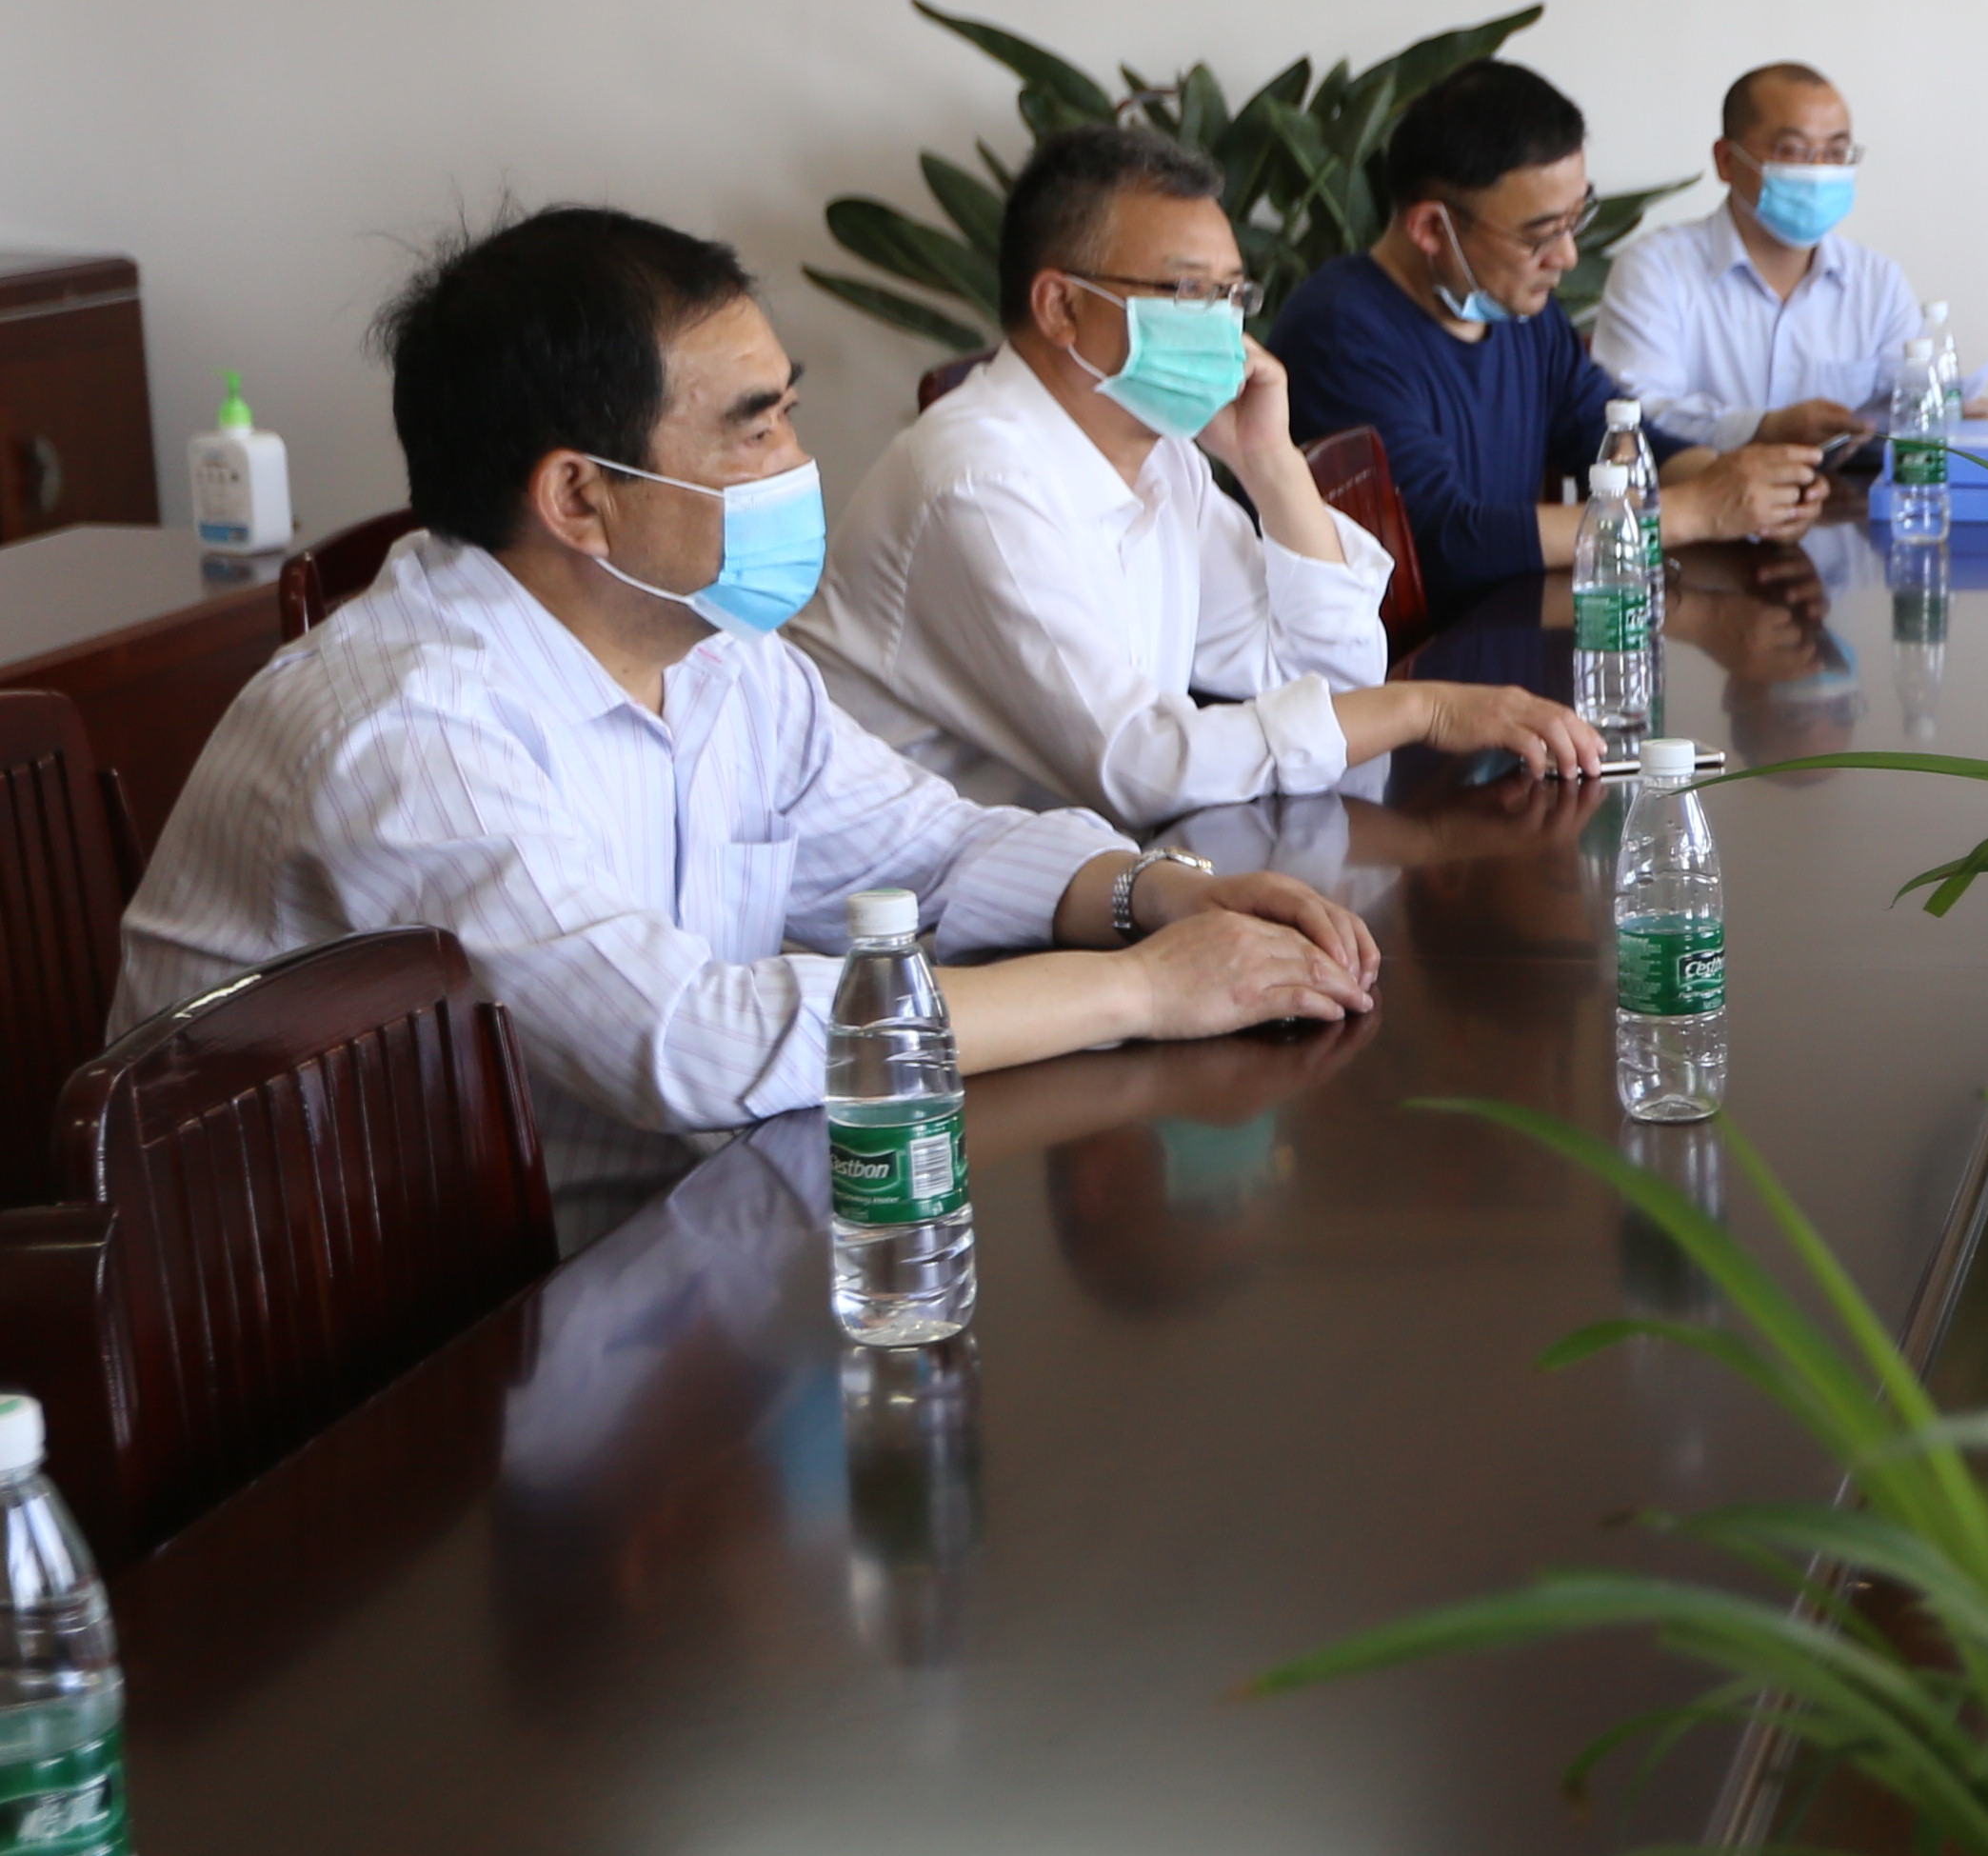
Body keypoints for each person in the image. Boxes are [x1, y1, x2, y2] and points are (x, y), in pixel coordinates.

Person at [115, 206, 1384, 1168]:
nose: (799, 461)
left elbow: (932, 850)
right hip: (353, 1355)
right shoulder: (409, 731)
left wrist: (1156, 895)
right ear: (580, 498)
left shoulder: (716, 654)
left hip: (624, 1246)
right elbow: (688, 1041)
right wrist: (1144, 991)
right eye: (757, 426)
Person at [797, 124, 1602, 822]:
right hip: (918, 926)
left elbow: (1327, 679)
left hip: (1090, 877)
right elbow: (1139, 768)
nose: (1221, 324)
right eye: (1188, 290)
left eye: (1232, 294)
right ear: (1061, 307)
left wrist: (1269, 463)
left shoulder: (1163, 455)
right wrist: (1422, 707)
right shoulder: (977, 482)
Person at [1271, 57, 1821, 601]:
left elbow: (1610, 437)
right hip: (1408, 654)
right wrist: (1694, 511)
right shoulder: (1340, 334)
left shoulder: (1514, 309)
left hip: (1510, 621)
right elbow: (1442, 541)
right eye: (1540, 234)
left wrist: (1752, 488)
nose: (1567, 255)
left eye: (1575, 220)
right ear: (1432, 228)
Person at [1589, 61, 1988, 449]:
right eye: (1794, 150)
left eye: (1836, 153)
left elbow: (1906, 410)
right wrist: (1763, 429)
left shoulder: (1877, 282)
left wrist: (1954, 421)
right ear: (1727, 161)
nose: (1819, 171)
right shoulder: (1655, 269)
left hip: (1843, 495)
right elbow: (1634, 415)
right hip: (1702, 494)